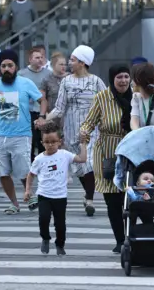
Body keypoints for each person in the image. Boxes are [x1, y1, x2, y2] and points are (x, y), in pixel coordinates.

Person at [0, 50, 47, 214]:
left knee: (23, 171)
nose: (7, 69)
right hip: (1, 135)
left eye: (10, 65)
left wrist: (42, 116)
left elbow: (42, 100)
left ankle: (29, 195)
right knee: (3, 173)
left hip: (22, 135)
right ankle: (14, 204)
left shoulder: (25, 83)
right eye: (3, 66)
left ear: (16, 67)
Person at [47, 45, 105, 217]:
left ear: (82, 62)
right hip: (71, 129)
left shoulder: (96, 81)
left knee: (90, 163)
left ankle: (90, 199)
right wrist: (45, 119)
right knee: (79, 167)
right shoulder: (66, 81)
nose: (69, 63)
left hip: (91, 129)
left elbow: (106, 103)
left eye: (72, 60)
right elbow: (59, 108)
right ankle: (87, 194)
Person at [79, 64, 132, 253]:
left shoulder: (137, 96)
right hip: (108, 153)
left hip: (132, 153)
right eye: (119, 77)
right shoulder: (102, 98)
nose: (124, 81)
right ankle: (120, 240)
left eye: (126, 76)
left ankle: (132, 236)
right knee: (112, 200)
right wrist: (83, 134)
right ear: (112, 79)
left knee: (131, 197)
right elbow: (89, 122)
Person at [24, 122, 87, 256]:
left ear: (60, 142)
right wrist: (27, 190)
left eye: (53, 141)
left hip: (60, 196)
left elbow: (82, 159)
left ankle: (60, 244)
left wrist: (84, 144)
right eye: (47, 142)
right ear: (42, 143)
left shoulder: (65, 154)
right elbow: (31, 175)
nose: (50, 145)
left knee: (60, 224)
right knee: (44, 219)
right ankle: (45, 238)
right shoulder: (39, 159)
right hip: (44, 195)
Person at [18, 46, 52, 161]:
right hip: (27, 111)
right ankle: (30, 164)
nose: (40, 60)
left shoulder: (48, 74)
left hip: (43, 111)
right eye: (37, 57)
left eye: (41, 57)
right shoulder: (22, 74)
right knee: (30, 140)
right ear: (30, 59)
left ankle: (44, 162)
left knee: (43, 139)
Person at [40, 52, 67, 129]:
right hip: (51, 116)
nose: (64, 67)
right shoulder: (46, 79)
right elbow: (42, 100)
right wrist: (44, 115)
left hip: (67, 116)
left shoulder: (70, 78)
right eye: (61, 64)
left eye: (65, 64)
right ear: (53, 65)